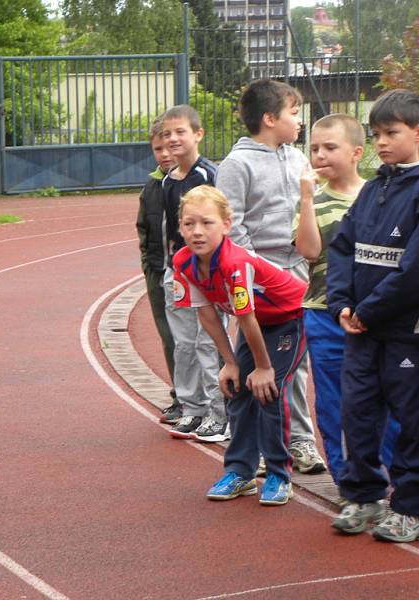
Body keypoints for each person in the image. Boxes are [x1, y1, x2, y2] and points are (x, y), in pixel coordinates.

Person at [215, 79, 326, 475]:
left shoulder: (297, 160)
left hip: (296, 273)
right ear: (269, 118)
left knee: (295, 364)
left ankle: (299, 442)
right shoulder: (236, 165)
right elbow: (232, 227)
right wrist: (261, 273)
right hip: (255, 279)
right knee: (253, 364)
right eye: (294, 113)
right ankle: (256, 449)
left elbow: (308, 212)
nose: (300, 121)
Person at [172, 185, 308, 506]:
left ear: (226, 224)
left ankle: (278, 473)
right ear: (180, 227)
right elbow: (206, 315)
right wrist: (230, 363)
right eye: (189, 224)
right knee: (236, 388)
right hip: (256, 324)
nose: (197, 231)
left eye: (207, 223)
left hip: (290, 317)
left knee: (268, 390)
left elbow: (245, 318)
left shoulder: (235, 263)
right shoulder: (183, 262)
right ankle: (240, 472)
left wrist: (262, 368)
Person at [327, 88, 419, 542]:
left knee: (412, 418)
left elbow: (412, 271)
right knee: (356, 412)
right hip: (360, 328)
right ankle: (363, 496)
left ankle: (408, 507)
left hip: (404, 332)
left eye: (392, 133)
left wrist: (368, 310)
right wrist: (341, 303)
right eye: (377, 134)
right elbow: (342, 246)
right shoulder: (371, 190)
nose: (381, 142)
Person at [294, 114, 400, 486]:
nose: (320, 155)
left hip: (376, 317)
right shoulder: (314, 200)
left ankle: (390, 476)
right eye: (314, 149)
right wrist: (307, 198)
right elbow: (308, 251)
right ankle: (346, 479)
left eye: (330, 147)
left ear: (357, 152)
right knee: (335, 402)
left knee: (389, 400)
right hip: (324, 313)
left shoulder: (380, 195)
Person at [159, 105, 228, 443]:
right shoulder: (167, 181)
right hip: (178, 272)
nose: (172, 139)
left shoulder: (208, 175)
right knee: (184, 343)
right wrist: (170, 269)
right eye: (167, 133)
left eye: (180, 132)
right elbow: (171, 230)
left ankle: (219, 412)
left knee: (208, 342)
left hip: (207, 275)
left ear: (198, 134)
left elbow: (219, 226)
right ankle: (192, 407)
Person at [136, 116, 179, 422]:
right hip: (157, 272)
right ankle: (180, 396)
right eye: (157, 148)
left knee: (198, 339)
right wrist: (149, 268)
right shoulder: (151, 187)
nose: (164, 154)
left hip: (188, 275)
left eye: (168, 147)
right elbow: (144, 230)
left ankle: (215, 400)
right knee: (169, 337)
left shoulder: (196, 179)